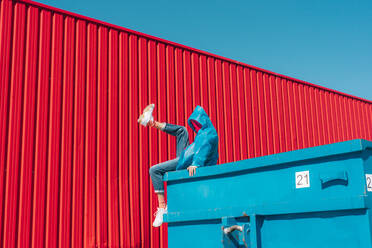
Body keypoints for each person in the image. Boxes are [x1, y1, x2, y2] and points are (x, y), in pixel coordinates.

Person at [138, 104, 219, 227]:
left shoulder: (208, 134)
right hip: (187, 158)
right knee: (182, 130)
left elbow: (204, 148)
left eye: (196, 122)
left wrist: (196, 163)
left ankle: (162, 207)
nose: (195, 126)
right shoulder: (204, 132)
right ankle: (152, 122)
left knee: (154, 170)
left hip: (188, 161)